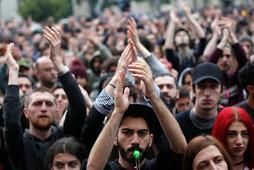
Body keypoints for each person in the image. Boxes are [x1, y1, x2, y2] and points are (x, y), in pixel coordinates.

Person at [85, 42, 187, 170]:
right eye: (127, 132)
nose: (135, 140)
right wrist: (118, 111)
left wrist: (153, 96)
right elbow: (93, 167)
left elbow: (181, 148)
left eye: (142, 133)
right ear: (115, 139)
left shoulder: (160, 166)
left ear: (150, 139)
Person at [3, 27, 86, 170]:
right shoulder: (19, 143)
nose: (43, 108)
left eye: (48, 104)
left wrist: (57, 62)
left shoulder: (65, 137)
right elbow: (11, 121)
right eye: (37, 104)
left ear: (56, 110)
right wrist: (13, 72)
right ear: (26, 112)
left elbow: (79, 108)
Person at [176, 62, 223, 142]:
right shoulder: (178, 123)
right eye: (201, 86)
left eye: (213, 86)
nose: (207, 93)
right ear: (194, 89)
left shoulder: (227, 121)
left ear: (221, 90)